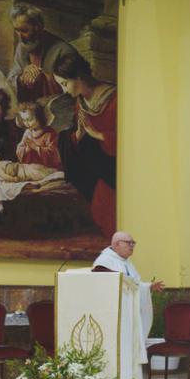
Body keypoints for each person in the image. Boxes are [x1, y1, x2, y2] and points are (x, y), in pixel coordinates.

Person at [52, 50, 117, 240]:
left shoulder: (114, 98)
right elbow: (79, 134)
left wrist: (96, 134)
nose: (64, 90)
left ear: (79, 77)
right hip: (94, 162)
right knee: (65, 138)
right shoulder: (80, 103)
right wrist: (78, 135)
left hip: (114, 162)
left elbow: (130, 137)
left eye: (64, 84)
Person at [92, 232, 162, 375]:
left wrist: (148, 287)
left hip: (129, 314)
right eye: (128, 243)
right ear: (116, 244)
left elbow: (134, 285)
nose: (132, 246)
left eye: (133, 243)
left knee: (130, 345)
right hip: (115, 314)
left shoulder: (128, 263)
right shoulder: (104, 262)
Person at [13, 101, 62, 170]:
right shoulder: (28, 132)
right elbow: (20, 148)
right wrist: (26, 149)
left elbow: (54, 156)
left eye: (30, 120)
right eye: (24, 120)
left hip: (47, 169)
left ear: (39, 117)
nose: (27, 123)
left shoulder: (50, 133)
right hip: (31, 166)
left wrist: (36, 147)